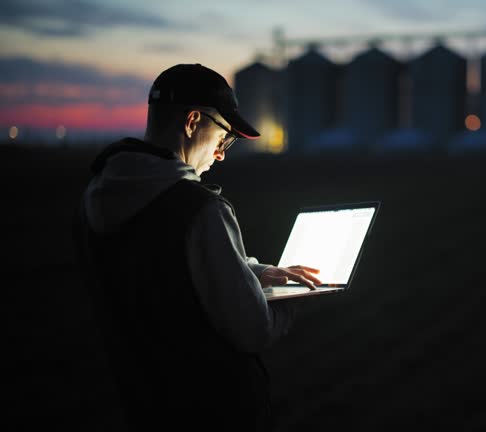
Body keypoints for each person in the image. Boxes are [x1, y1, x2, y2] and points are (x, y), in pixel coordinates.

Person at [73, 63, 321, 430]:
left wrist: (252, 271)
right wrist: (295, 296)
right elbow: (252, 329)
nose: (221, 154)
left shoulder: (95, 197)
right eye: (224, 137)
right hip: (214, 411)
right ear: (192, 122)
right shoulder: (200, 210)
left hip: (143, 404)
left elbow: (169, 273)